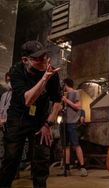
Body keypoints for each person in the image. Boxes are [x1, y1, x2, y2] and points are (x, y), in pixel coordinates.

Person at [0, 40, 62, 188]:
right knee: (11, 160)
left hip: (40, 121)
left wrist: (48, 124)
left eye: (44, 57)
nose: (42, 61)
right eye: (37, 58)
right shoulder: (17, 71)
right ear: (25, 60)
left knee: (41, 162)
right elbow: (27, 100)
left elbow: (57, 101)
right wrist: (44, 78)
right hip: (18, 118)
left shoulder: (51, 73)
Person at [59, 78, 87, 177]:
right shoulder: (63, 95)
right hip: (64, 123)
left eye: (63, 85)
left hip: (72, 123)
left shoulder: (75, 93)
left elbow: (78, 106)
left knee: (76, 145)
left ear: (66, 84)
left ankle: (83, 167)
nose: (63, 87)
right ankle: (66, 168)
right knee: (65, 146)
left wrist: (66, 101)